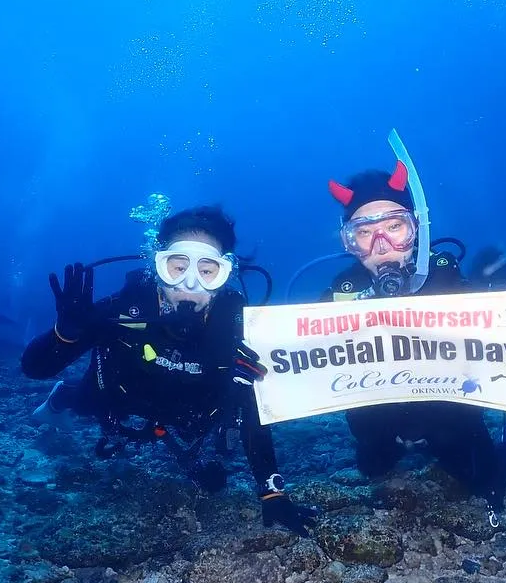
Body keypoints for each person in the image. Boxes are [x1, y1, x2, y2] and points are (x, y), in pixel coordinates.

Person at [322, 157, 506, 518]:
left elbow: (504, 343)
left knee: (486, 482)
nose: (382, 245)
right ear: (349, 241)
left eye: (395, 226)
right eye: (363, 232)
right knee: (372, 470)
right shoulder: (341, 292)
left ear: (417, 229)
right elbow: (296, 352)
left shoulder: (447, 279)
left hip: (449, 424)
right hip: (379, 427)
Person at [19, 206, 315, 536]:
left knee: (217, 438)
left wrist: (272, 491)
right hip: (120, 398)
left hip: (191, 412)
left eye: (207, 271)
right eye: (177, 267)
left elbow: (254, 410)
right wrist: (65, 334)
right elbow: (34, 368)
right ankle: (63, 397)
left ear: (225, 274)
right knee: (86, 401)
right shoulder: (125, 308)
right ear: (158, 266)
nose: (189, 285)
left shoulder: (236, 328)